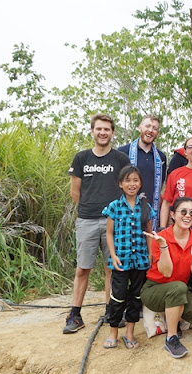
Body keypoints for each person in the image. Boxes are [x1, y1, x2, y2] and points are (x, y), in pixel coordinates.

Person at [64, 113, 130, 334]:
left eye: (107, 129)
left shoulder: (120, 159)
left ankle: (112, 311)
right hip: (87, 220)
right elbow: (75, 192)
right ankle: (75, 314)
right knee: (83, 268)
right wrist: (92, 208)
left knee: (112, 268)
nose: (103, 133)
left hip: (114, 222)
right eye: (99, 129)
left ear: (112, 133)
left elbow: (127, 187)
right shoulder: (81, 158)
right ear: (92, 131)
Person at [141, 197, 192, 358]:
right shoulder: (161, 237)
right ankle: (171, 337)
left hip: (178, 288)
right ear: (172, 214)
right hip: (154, 288)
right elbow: (166, 273)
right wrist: (164, 246)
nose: (188, 216)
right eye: (183, 212)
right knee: (179, 287)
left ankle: (170, 314)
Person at [101, 165, 155, 349]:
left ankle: (130, 332)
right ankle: (113, 332)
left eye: (135, 180)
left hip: (140, 261)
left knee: (136, 296)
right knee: (117, 296)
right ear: (121, 184)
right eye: (128, 180)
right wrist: (113, 255)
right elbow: (109, 233)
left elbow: (149, 233)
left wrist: (150, 253)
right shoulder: (114, 207)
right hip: (121, 260)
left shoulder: (145, 207)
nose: (132, 184)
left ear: (140, 184)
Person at [118, 115, 167, 231]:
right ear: (140, 127)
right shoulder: (123, 152)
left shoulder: (161, 157)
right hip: (126, 210)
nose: (150, 130)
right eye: (148, 126)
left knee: (150, 246)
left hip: (151, 212)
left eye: (155, 128)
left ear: (158, 133)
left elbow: (161, 186)